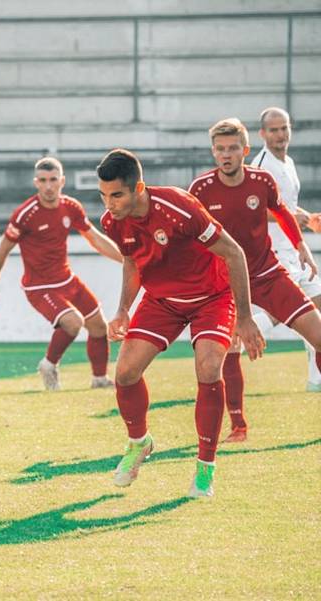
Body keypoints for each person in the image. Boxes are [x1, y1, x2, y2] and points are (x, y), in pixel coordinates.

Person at [97, 148, 264, 498]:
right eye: (103, 195)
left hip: (212, 299)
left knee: (207, 368)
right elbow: (131, 263)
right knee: (125, 372)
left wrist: (245, 319)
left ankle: (205, 468)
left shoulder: (179, 206)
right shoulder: (113, 221)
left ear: (137, 187)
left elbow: (233, 252)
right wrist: (123, 310)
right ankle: (139, 443)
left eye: (116, 195)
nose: (109, 203)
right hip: (161, 301)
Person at [189, 118, 321, 442]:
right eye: (220, 149)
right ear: (213, 152)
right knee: (228, 352)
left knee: (319, 333)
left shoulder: (262, 180)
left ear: (245, 150)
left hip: (266, 272)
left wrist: (302, 245)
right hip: (223, 283)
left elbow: (281, 211)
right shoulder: (201, 189)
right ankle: (238, 426)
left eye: (233, 148)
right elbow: (189, 235)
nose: (226, 154)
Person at [0, 157, 122, 390]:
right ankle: (48, 365)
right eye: (43, 180)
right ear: (36, 182)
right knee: (73, 323)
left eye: (53, 180)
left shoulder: (71, 207)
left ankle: (99, 379)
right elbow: (3, 250)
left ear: (62, 181)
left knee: (99, 326)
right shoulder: (25, 214)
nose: (48, 186)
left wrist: (127, 261)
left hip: (67, 279)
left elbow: (95, 239)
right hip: (39, 287)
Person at [249, 107, 321, 392]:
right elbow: (253, 208)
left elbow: (284, 205)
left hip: (295, 251)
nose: (280, 134)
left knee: (316, 307)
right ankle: (239, 337)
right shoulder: (261, 165)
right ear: (262, 133)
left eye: (284, 128)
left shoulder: (287, 162)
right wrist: (293, 218)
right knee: (284, 311)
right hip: (275, 252)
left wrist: (308, 218)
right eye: (274, 129)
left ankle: (316, 379)